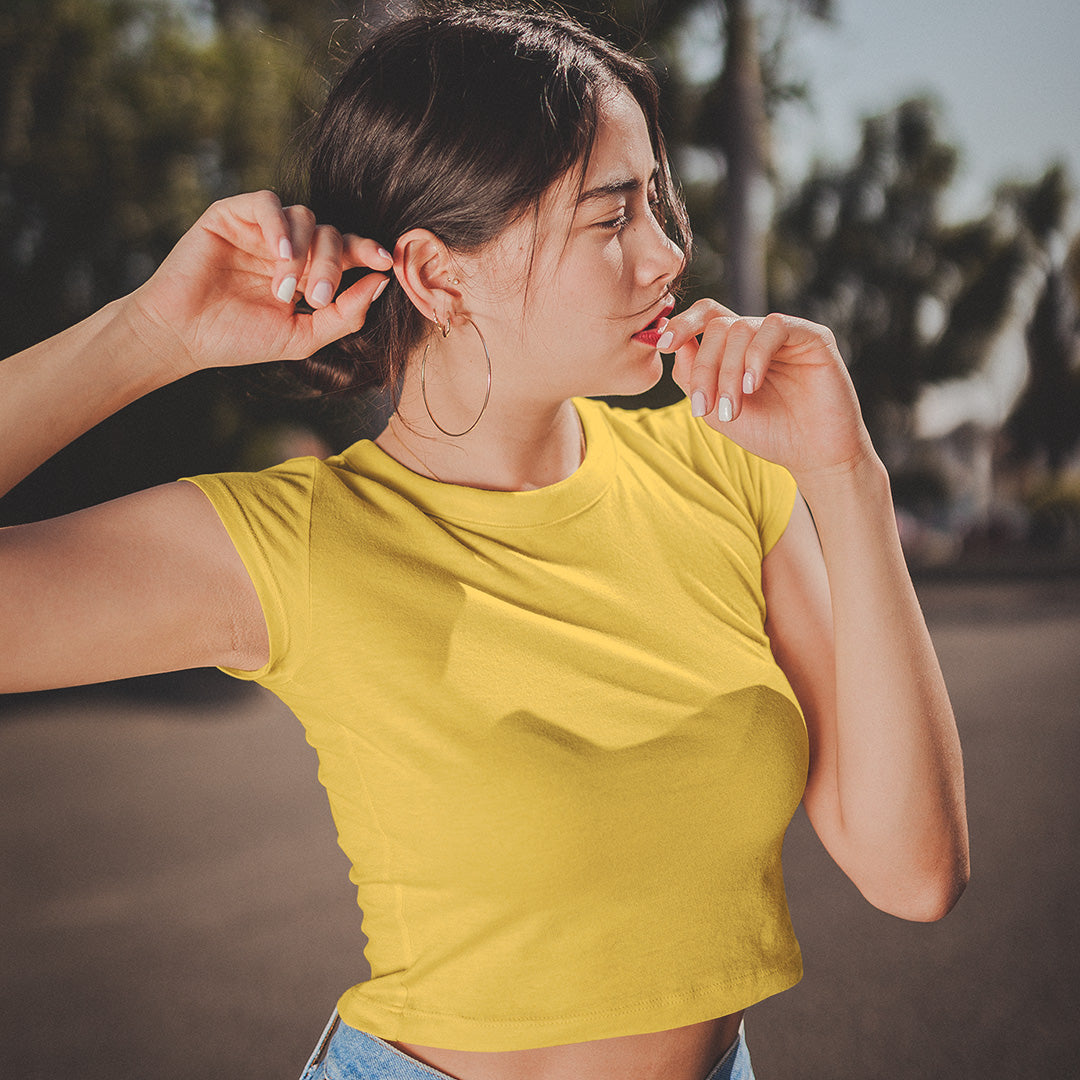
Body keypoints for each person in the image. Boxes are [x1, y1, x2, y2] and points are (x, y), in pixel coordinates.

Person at [0, 6, 968, 1080]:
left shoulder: (728, 477)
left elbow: (915, 874)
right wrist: (150, 336)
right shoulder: (297, 543)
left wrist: (848, 474)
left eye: (656, 198)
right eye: (611, 219)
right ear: (438, 273)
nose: (668, 252)